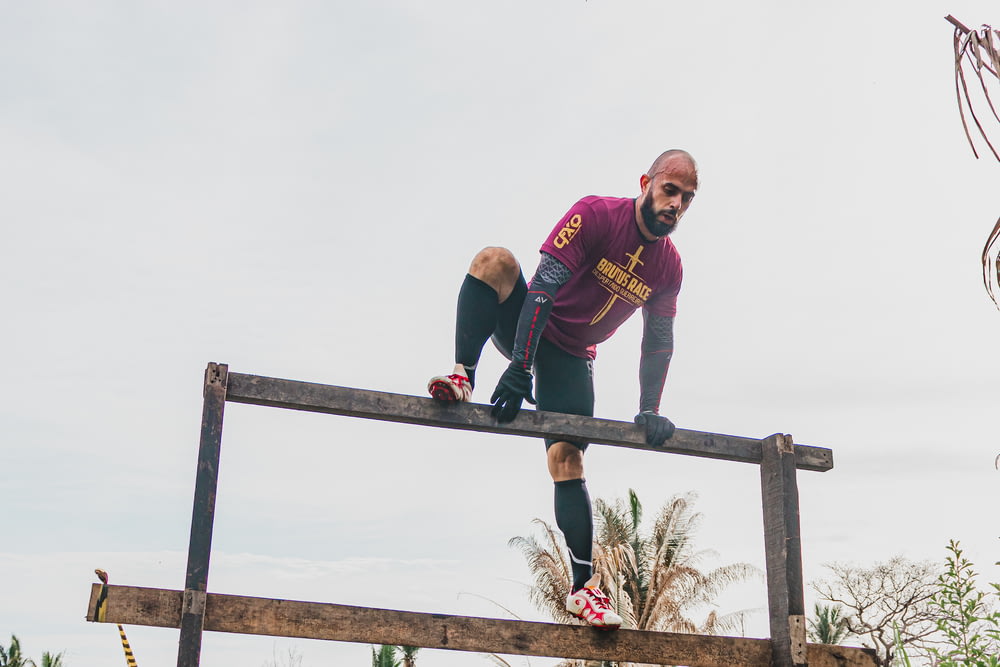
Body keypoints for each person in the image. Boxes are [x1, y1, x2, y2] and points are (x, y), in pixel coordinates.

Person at [428, 150, 698, 630]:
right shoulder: (594, 215)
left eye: (687, 198)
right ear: (646, 182)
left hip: (573, 356)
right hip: (530, 321)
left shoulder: (668, 268)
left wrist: (650, 408)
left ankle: (583, 590)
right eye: (670, 190)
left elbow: (658, 340)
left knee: (567, 458)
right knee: (495, 260)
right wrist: (519, 365)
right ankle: (463, 373)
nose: (676, 204)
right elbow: (543, 290)